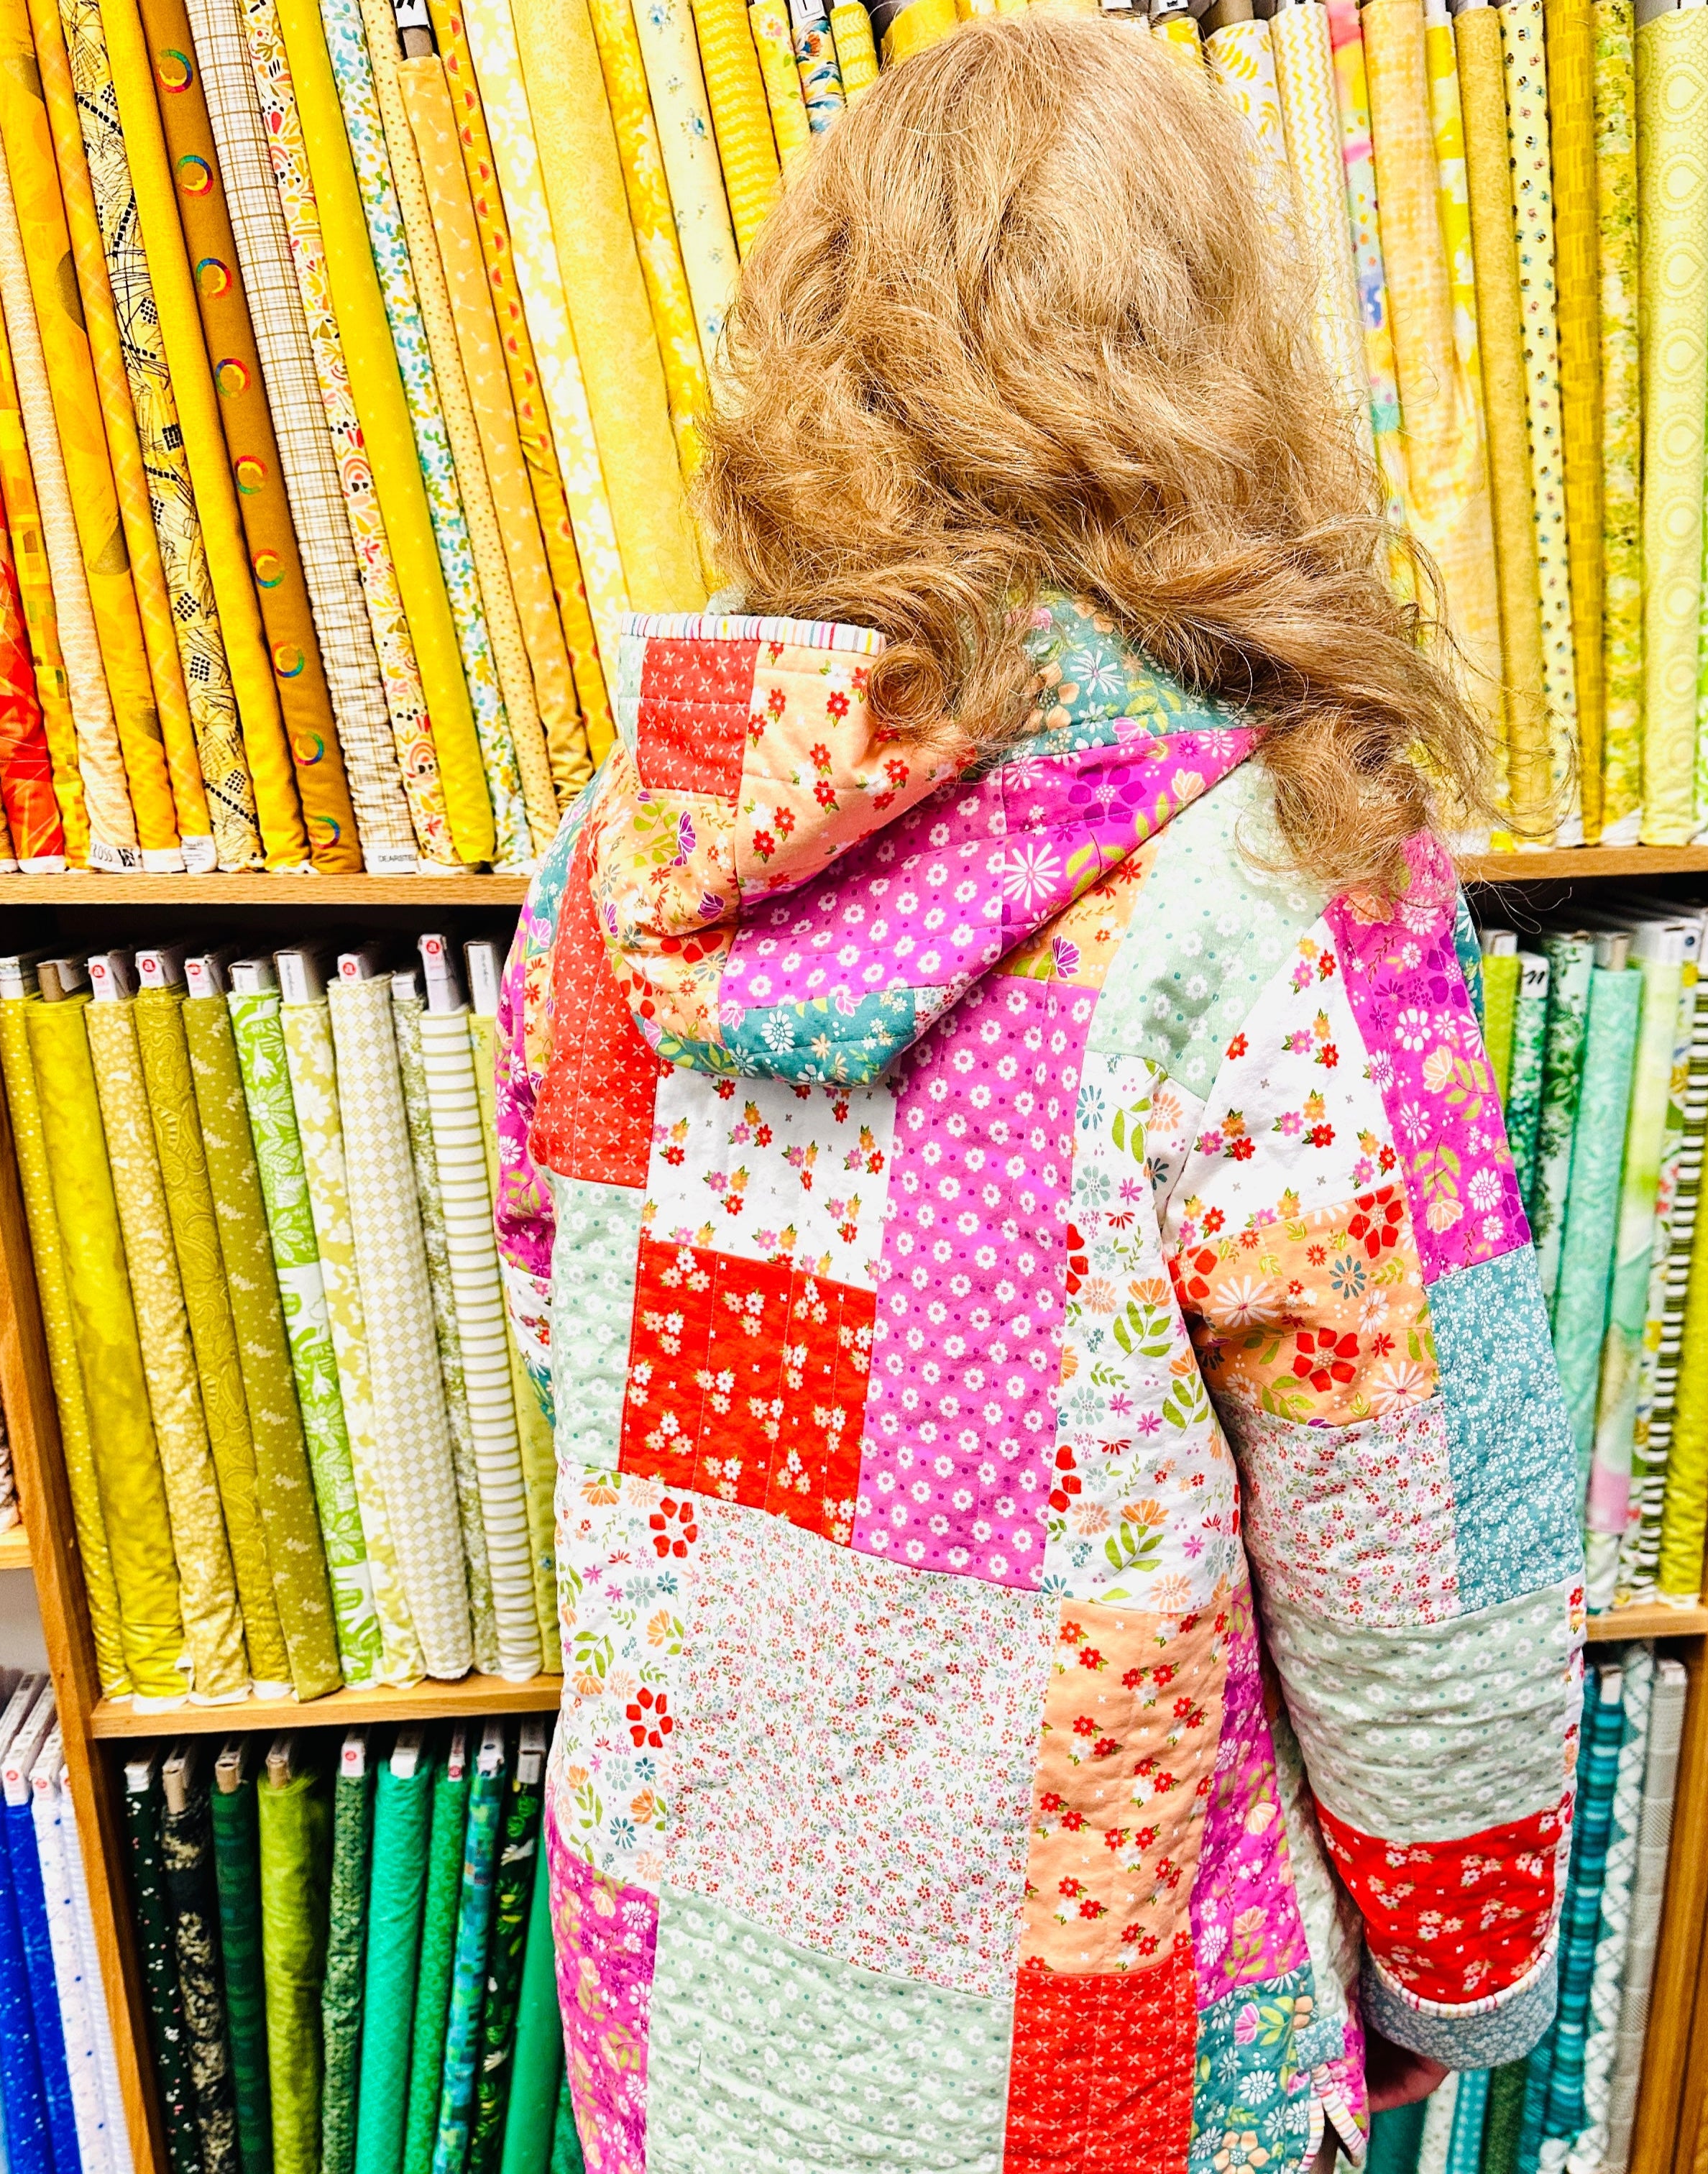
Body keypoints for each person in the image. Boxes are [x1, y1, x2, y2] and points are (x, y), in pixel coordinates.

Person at [495, 15, 1582, 2169]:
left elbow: (567, 1320)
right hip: (1101, 2038)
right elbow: (1413, 1520)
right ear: (1211, 353)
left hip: (677, 1957)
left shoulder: (630, 841)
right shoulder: (1276, 879)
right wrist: (1465, 1970)